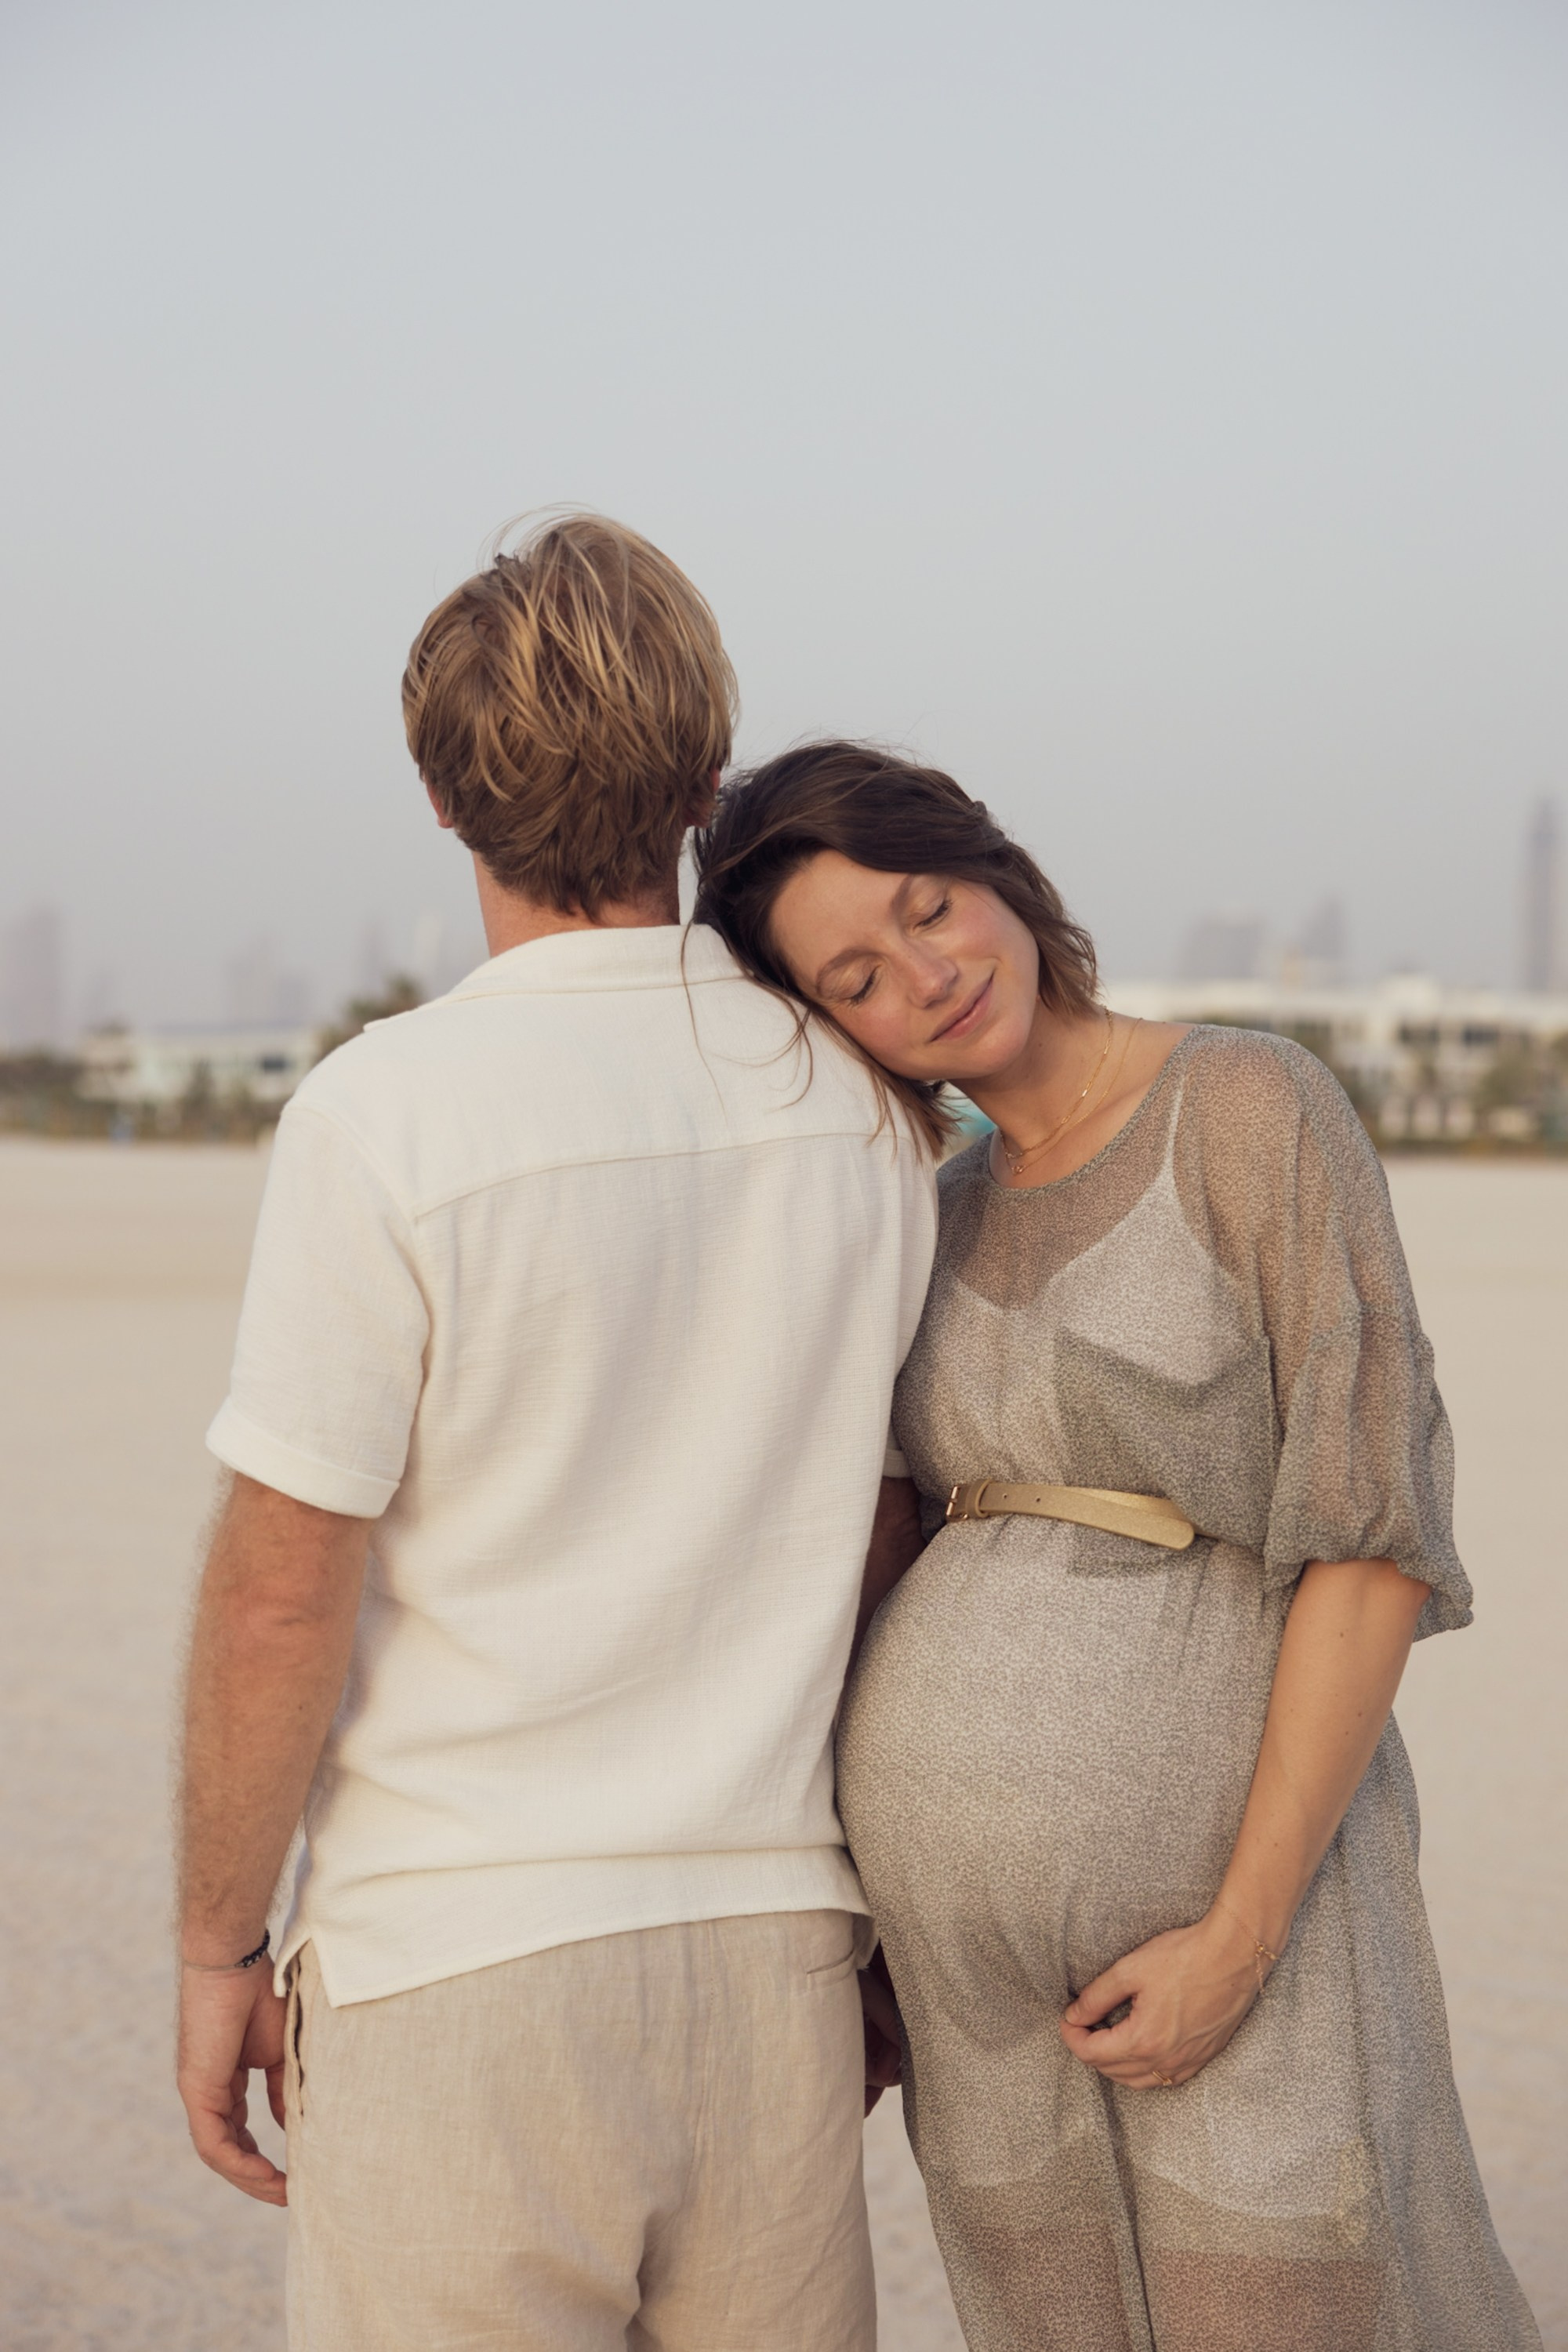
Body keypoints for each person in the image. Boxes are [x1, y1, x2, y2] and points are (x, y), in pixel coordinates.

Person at [175, 523, 936, 2351]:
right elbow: (892, 1535)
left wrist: (215, 1947)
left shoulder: (382, 1115)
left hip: (456, 1965)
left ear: (443, 799)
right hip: (774, 1957)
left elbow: (281, 1593)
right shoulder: (852, 1102)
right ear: (701, 780)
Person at [694, 741, 1541, 2352]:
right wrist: (876, 1947)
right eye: (855, 980)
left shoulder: (1247, 1106)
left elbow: (1369, 1542)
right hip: (969, 1997)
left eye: (927, 910)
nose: (924, 979)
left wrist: (1239, 1935)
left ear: (994, 870)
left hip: (1246, 1934)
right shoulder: (930, 1210)